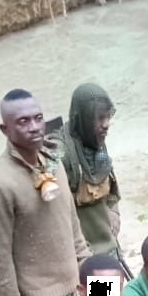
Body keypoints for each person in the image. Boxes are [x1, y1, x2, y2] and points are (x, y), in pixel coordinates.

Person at [0, 89, 92, 296]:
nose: (34, 127)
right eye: (23, 122)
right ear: (5, 129)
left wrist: (90, 272)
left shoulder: (53, 161)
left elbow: (72, 225)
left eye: (38, 118)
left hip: (79, 281)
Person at [58, 82, 124, 261]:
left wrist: (114, 209)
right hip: (86, 255)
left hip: (110, 246)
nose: (106, 125)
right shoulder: (62, 156)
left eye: (107, 117)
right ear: (84, 120)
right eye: (99, 119)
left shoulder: (97, 144)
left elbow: (110, 188)